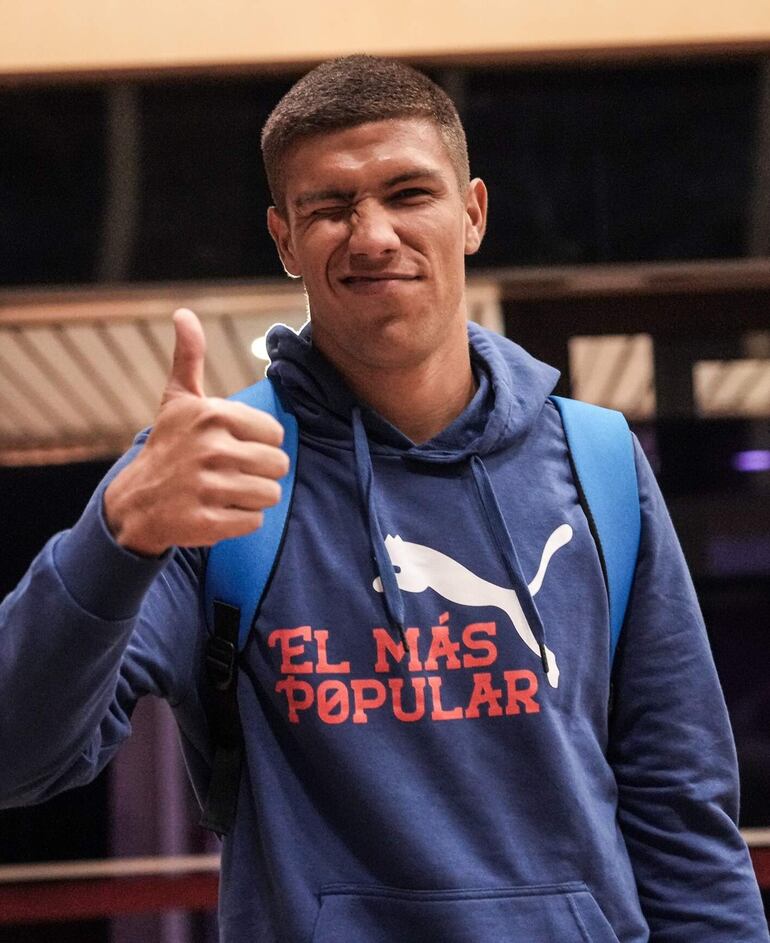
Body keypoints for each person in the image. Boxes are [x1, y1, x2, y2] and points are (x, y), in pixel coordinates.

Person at [0, 55, 766, 943]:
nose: (371, 235)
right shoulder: (216, 472)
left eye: (409, 193)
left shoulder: (597, 462)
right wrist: (116, 534)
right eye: (329, 206)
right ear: (285, 240)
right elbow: (17, 759)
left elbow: (683, 811)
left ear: (472, 213)